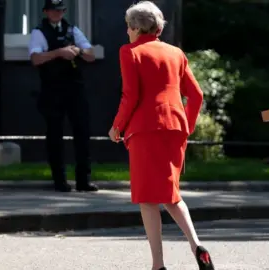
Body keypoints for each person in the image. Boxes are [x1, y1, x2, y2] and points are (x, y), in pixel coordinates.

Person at [108, 1, 216, 270]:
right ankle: (197, 245)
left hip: (145, 129)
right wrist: (186, 127)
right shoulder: (176, 53)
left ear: (135, 28)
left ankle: (158, 265)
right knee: (170, 194)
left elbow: (130, 95)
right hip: (175, 128)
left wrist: (117, 126)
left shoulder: (130, 52)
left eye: (128, 28)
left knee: (147, 199)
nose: (127, 33)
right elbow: (196, 95)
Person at [28, 0, 98, 192]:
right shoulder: (39, 32)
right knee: (55, 135)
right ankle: (60, 180)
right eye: (52, 10)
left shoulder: (72, 30)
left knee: (82, 132)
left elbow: (91, 54)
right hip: (53, 89)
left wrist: (78, 51)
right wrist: (59, 52)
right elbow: (35, 58)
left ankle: (83, 180)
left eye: (59, 10)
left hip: (75, 87)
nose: (56, 14)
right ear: (46, 12)